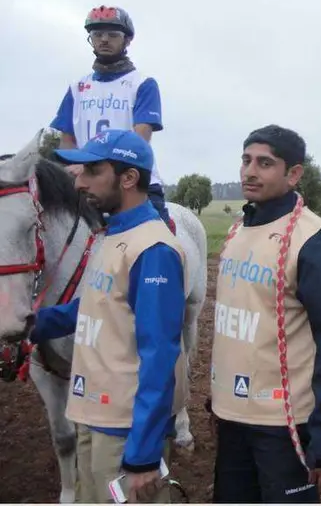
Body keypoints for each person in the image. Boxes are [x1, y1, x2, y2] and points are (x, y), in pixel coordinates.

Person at [29, 129, 188, 503]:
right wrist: (32, 325)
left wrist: (144, 454)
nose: (78, 182)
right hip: (92, 414)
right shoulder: (111, 236)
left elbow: (160, 354)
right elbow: (95, 306)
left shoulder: (153, 249)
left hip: (123, 428)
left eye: (91, 172)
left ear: (128, 178)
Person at [208, 125, 321, 503]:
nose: (249, 171)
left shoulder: (315, 241)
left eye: (264, 163)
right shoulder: (237, 230)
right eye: (246, 160)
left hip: (283, 424)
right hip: (232, 417)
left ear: (293, 174)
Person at [49, 5, 173, 231]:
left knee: (161, 240)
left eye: (113, 35)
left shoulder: (143, 84)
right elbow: (67, 140)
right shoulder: (77, 87)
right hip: (88, 182)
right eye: (97, 34)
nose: (104, 39)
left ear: (126, 40)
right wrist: (75, 167)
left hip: (133, 182)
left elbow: (140, 139)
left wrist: (99, 169)